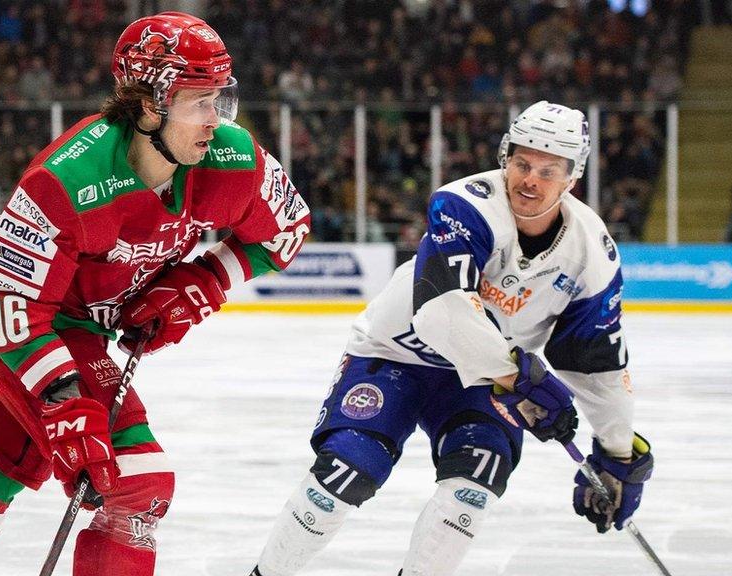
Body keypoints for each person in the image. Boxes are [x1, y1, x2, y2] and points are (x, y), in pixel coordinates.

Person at [0, 11, 310, 576]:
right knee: (137, 487)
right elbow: (6, 299)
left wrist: (207, 280)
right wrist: (63, 400)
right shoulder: (68, 180)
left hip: (70, 328)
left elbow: (287, 229)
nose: (216, 119)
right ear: (148, 105)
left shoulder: (232, 160)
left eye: (221, 98)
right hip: (19, 328)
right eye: (199, 102)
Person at [250, 101, 654, 576]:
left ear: (572, 178)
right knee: (348, 469)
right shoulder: (466, 205)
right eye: (522, 163)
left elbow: (598, 362)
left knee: (476, 478)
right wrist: (518, 378)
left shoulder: (592, 253)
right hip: (396, 354)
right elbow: (443, 315)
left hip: (485, 381)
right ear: (506, 157)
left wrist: (617, 453)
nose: (530, 180)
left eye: (548, 171)